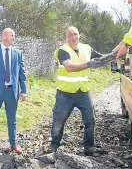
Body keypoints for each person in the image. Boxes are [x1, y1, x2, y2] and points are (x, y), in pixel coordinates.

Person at [47, 26, 114, 156]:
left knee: (90, 119)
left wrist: (116, 54)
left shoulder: (87, 48)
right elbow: (69, 67)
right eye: (70, 35)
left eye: (75, 34)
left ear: (79, 35)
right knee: (59, 120)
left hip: (83, 92)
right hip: (65, 94)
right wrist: (88, 64)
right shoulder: (63, 50)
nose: (73, 37)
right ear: (66, 37)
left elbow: (102, 59)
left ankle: (88, 147)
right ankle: (53, 146)